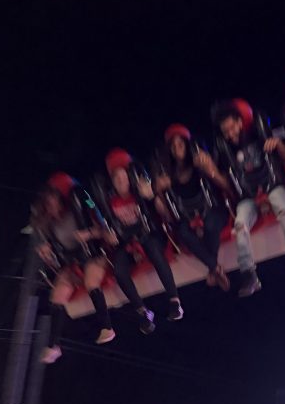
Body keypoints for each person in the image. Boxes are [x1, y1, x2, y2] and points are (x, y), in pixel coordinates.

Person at [215, 102, 285, 297]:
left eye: (232, 128)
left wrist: (278, 144)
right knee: (240, 225)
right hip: (249, 196)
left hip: (272, 186)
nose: (230, 134)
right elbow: (228, 183)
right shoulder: (227, 152)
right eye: (225, 132)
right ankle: (249, 274)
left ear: (240, 122)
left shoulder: (260, 135)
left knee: (281, 209)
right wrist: (211, 171)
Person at [32, 173, 115, 364]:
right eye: (48, 205)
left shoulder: (79, 209)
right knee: (57, 294)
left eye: (53, 202)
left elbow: (101, 228)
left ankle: (107, 327)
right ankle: (53, 346)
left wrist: (88, 234)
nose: (51, 208)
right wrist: (46, 250)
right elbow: (55, 250)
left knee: (91, 280)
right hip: (71, 262)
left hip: (93, 254)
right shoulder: (49, 224)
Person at [98, 149, 183, 326]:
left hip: (148, 234)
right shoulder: (109, 201)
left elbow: (165, 213)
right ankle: (142, 311)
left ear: (129, 177)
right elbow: (107, 228)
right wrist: (108, 235)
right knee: (119, 270)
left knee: (154, 250)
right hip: (127, 241)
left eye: (123, 177)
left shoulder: (141, 191)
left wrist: (152, 196)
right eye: (116, 179)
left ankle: (174, 301)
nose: (120, 182)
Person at [155, 125, 230, 290]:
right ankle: (215, 267)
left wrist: (210, 170)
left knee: (210, 224)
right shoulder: (168, 174)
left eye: (180, 144)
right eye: (173, 146)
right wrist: (158, 193)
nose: (177, 149)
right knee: (182, 231)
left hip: (213, 209)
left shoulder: (201, 160)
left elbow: (225, 185)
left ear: (188, 145)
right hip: (188, 218)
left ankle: (213, 268)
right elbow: (166, 212)